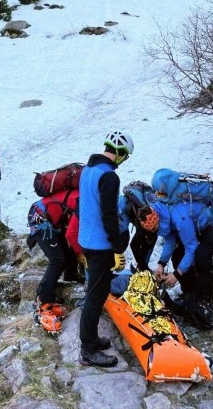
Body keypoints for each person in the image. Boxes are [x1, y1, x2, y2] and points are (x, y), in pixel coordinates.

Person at [77, 131, 133, 367]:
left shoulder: (88, 169)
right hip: (100, 244)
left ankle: (91, 339)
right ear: (119, 153)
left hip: (87, 239)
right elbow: (109, 214)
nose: (124, 161)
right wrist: (118, 245)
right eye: (125, 156)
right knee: (95, 295)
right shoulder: (109, 176)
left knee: (95, 291)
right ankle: (88, 350)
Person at [153, 198, 213, 330]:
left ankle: (205, 300)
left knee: (202, 257)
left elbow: (191, 248)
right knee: (177, 255)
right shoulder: (165, 215)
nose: (153, 231)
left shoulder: (179, 218)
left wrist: (177, 274)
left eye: (154, 228)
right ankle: (190, 294)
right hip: (196, 227)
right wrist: (161, 264)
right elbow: (170, 240)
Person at [27, 190, 83, 333]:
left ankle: (71, 275)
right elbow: (71, 234)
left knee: (66, 251)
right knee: (57, 260)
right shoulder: (82, 204)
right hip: (41, 218)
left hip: (51, 217)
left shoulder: (85, 199)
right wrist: (80, 253)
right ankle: (43, 300)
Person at [118, 182, 160, 272]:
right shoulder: (143, 227)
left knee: (150, 240)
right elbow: (134, 245)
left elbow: (149, 244)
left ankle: (142, 266)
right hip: (128, 212)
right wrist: (142, 265)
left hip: (144, 217)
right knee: (126, 238)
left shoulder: (155, 216)